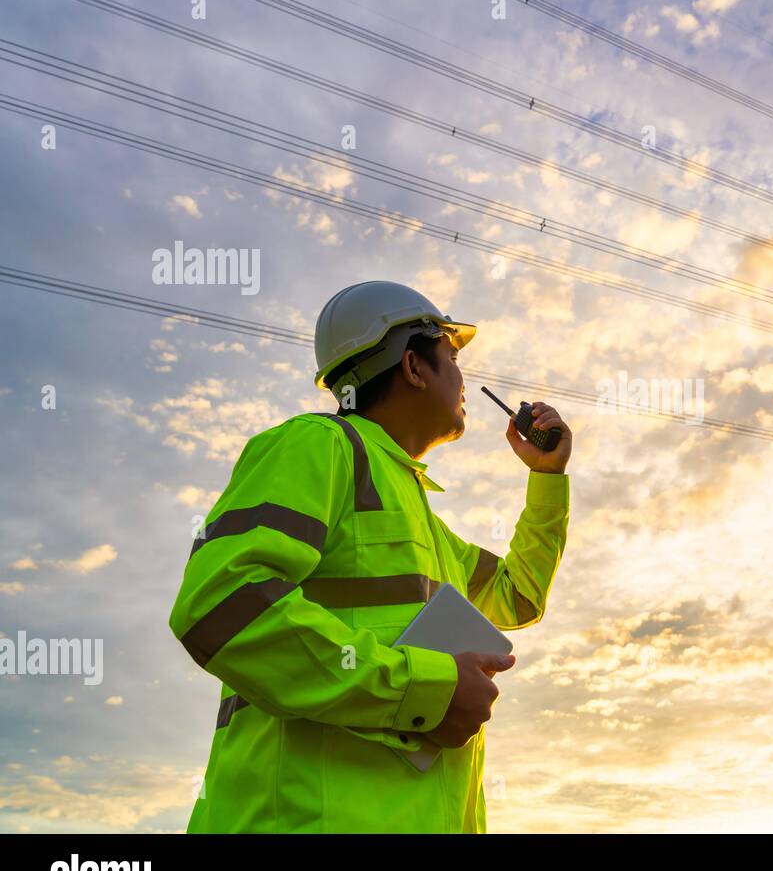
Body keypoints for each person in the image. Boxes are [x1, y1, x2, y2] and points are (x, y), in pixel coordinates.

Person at [168, 279, 572, 832]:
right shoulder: (318, 446)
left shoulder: (424, 522)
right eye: (452, 357)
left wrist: (547, 480)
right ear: (412, 365)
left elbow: (517, 595)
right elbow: (219, 604)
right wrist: (426, 689)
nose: (462, 378)